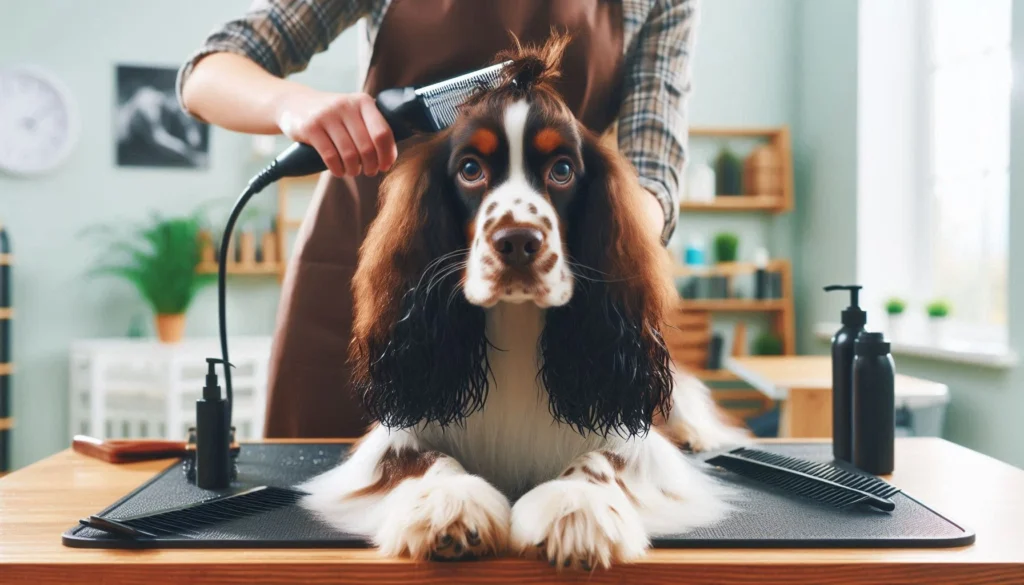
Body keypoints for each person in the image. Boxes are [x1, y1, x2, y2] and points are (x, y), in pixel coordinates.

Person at [177, 0, 699, 439]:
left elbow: (652, 179)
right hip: (370, 275)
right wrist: (291, 104)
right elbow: (206, 74)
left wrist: (600, 237)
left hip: (546, 314)